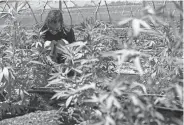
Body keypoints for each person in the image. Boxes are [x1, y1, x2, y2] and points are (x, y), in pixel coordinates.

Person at [40, 9, 75, 77]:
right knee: (48, 43)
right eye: (50, 28)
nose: (53, 31)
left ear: (61, 23)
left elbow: (72, 49)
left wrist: (66, 63)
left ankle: (65, 71)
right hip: (49, 60)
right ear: (47, 23)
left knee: (61, 42)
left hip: (63, 60)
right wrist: (51, 62)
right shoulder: (43, 31)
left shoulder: (67, 31)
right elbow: (40, 50)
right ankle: (49, 70)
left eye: (56, 29)